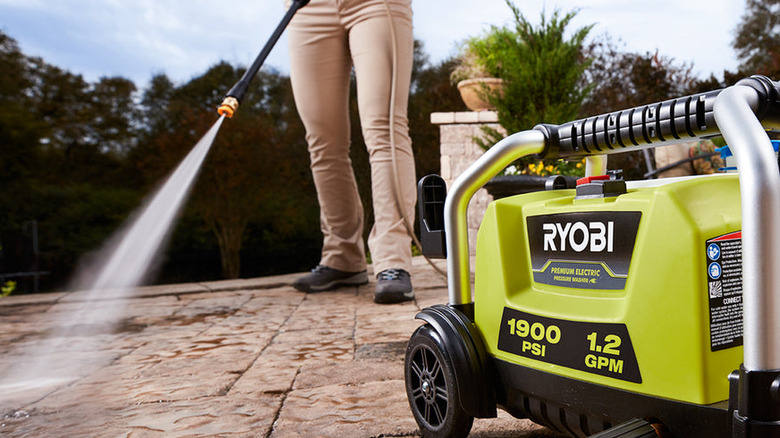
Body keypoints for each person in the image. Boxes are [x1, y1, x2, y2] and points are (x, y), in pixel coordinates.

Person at [285, 0, 416, 304]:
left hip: (373, 4)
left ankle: (393, 261)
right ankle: (342, 257)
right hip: (308, 9)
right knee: (322, 139)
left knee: (384, 128)